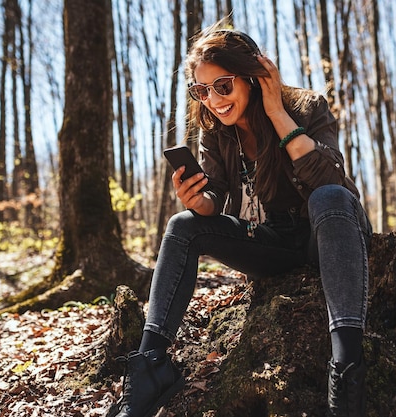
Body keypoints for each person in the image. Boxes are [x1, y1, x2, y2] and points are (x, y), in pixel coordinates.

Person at [106, 21, 372, 417]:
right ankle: (150, 367)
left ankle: (347, 366)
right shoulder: (216, 131)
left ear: (253, 77)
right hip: (276, 240)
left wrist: (276, 111)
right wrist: (199, 202)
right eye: (202, 90)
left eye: (223, 86)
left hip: (332, 229)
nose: (213, 100)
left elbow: (328, 180)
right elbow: (217, 195)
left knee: (329, 196)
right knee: (181, 225)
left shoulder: (306, 106)